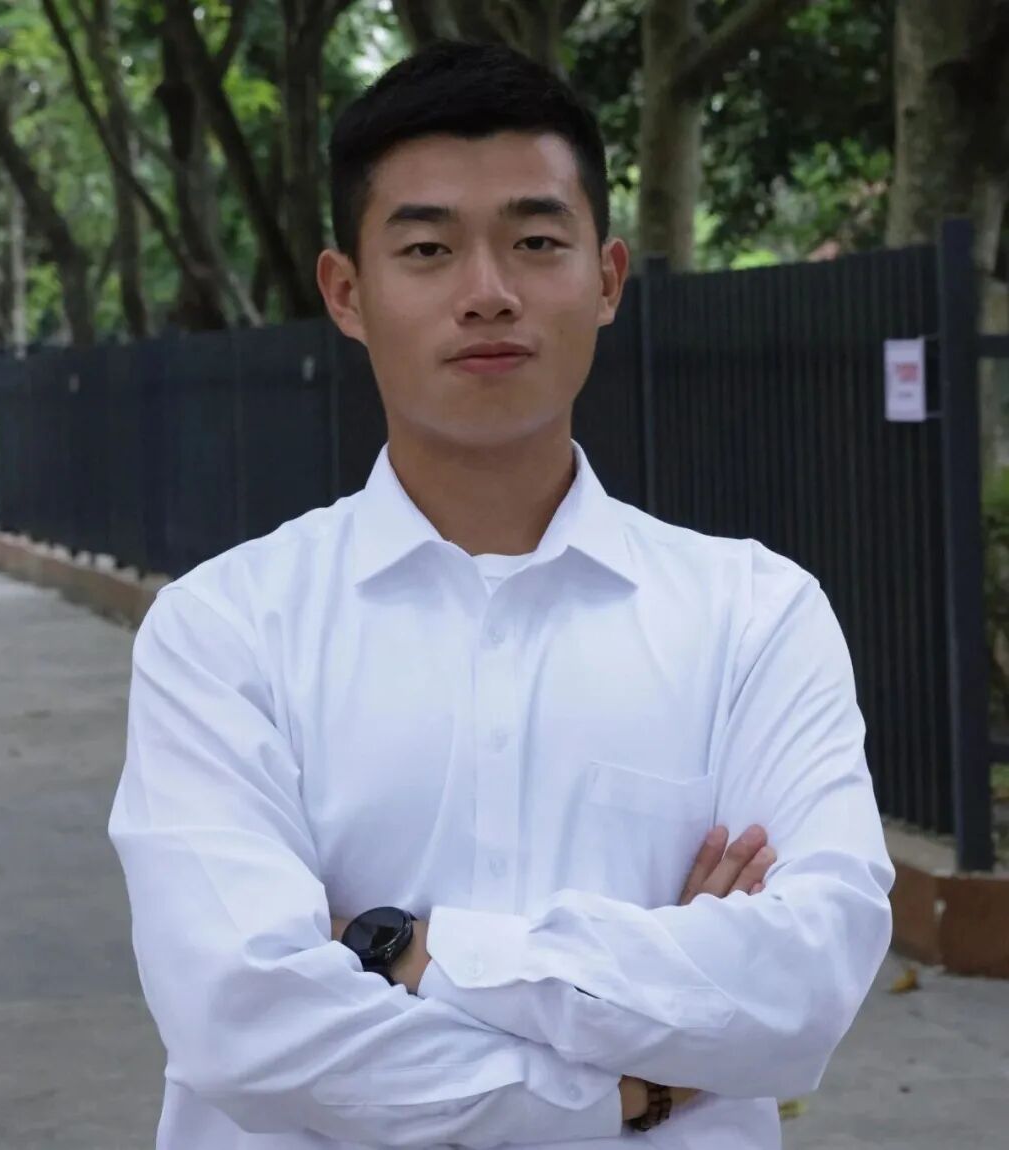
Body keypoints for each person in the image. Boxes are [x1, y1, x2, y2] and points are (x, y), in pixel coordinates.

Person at [109, 39, 894, 1150]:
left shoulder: (753, 617)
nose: (488, 293)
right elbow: (246, 1027)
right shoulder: (224, 630)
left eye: (535, 241)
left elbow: (803, 984)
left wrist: (409, 950)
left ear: (607, 278)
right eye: (428, 248)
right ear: (347, 292)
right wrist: (625, 1084)